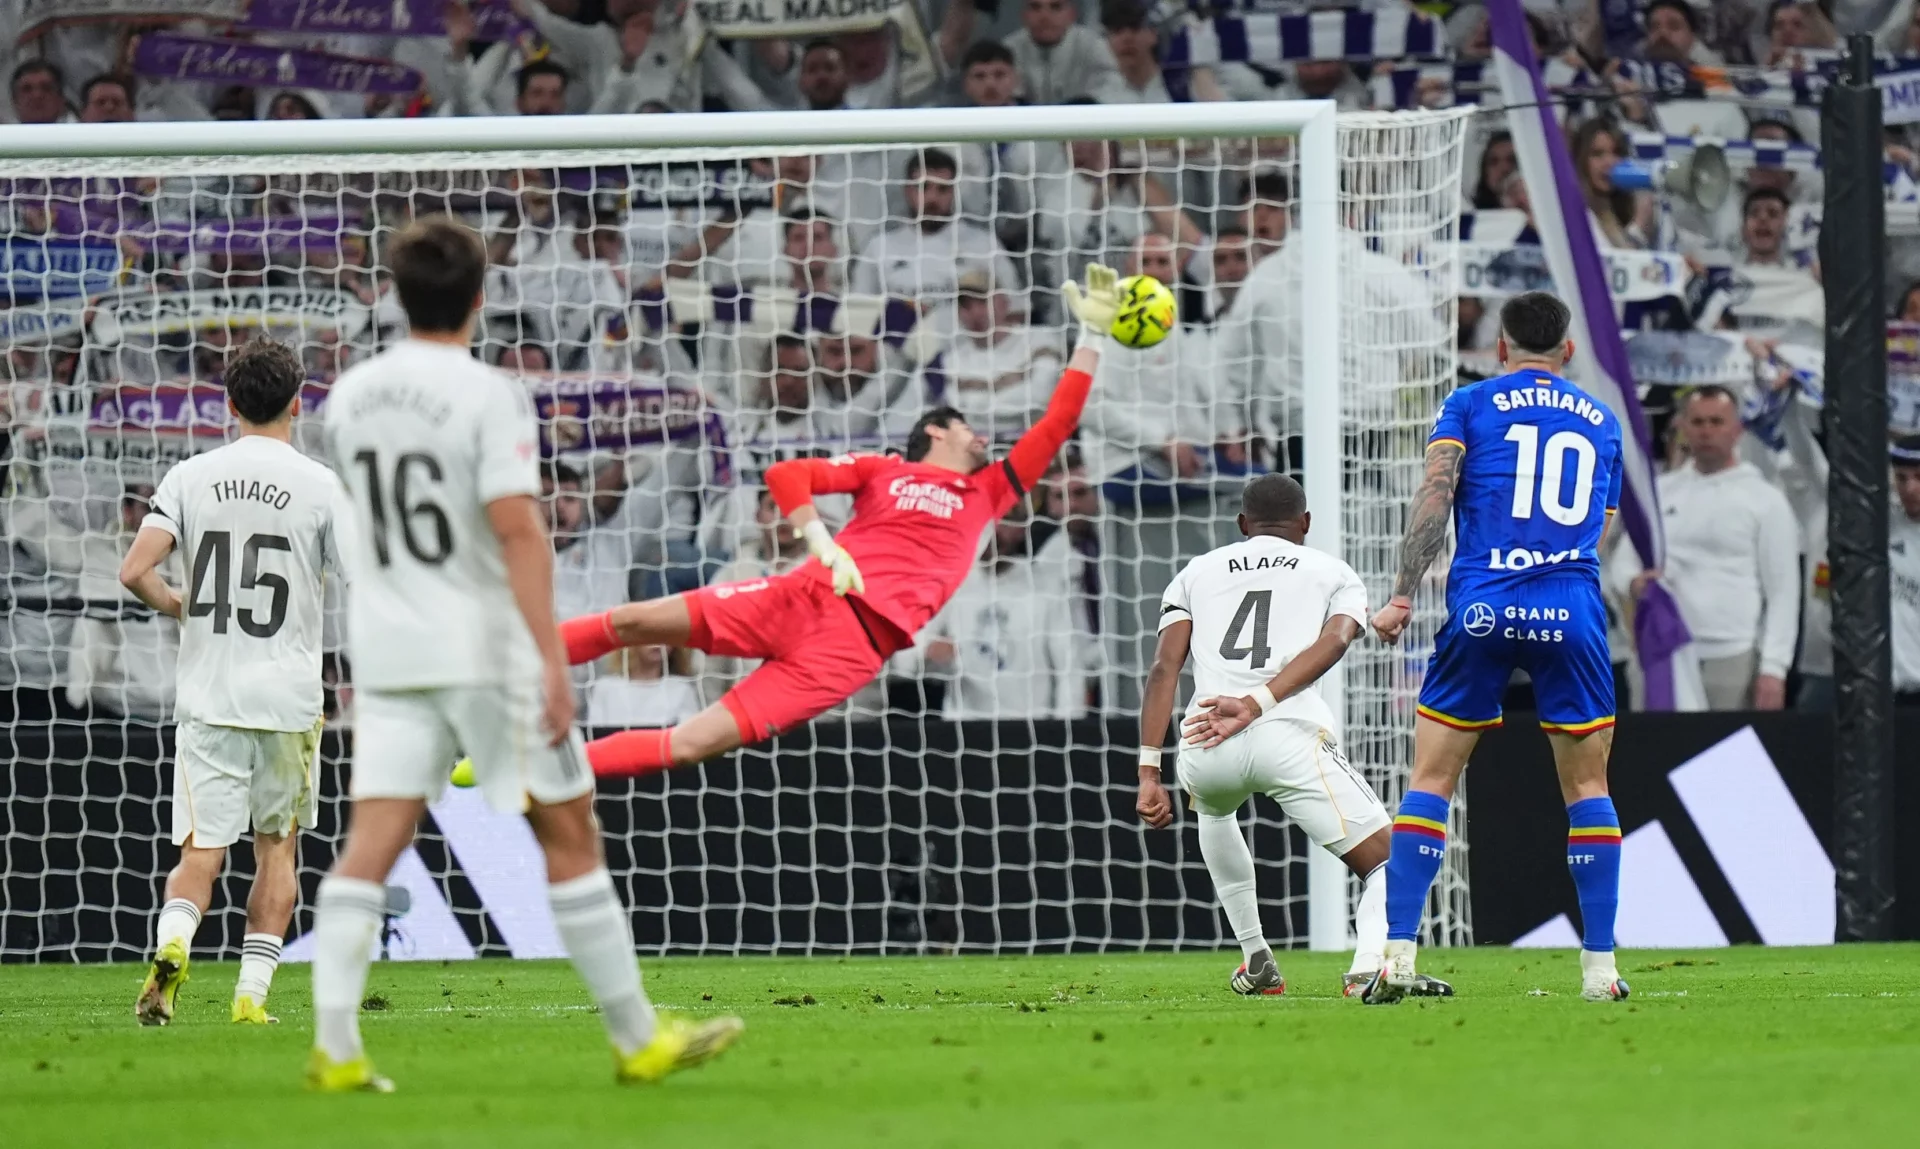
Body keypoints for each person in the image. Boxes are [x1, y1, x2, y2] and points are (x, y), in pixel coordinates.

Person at [310, 216, 741, 1092]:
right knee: (569, 827)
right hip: (482, 647)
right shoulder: (488, 395)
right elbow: (518, 530)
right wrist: (551, 659)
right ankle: (637, 1038)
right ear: (481, 296)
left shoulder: (349, 396)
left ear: (396, 296)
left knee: (371, 842)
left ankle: (336, 1049)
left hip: (389, 650)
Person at [560, 264, 1123, 774]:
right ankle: (517, 659)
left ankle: (543, 780)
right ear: (935, 430)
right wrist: (822, 544)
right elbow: (787, 475)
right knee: (631, 621)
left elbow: (1058, 421)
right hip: (799, 595)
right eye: (966, 427)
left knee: (690, 744)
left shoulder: (987, 492)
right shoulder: (884, 469)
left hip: (848, 652)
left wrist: (1093, 335)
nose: (979, 436)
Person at [1369, 292, 1629, 1004]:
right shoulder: (1602, 419)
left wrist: (1402, 594)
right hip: (1571, 609)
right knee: (1588, 789)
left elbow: (1435, 496)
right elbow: (1601, 527)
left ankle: (1397, 954)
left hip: (1484, 606)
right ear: (1567, 350)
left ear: (1501, 348)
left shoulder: (1470, 403)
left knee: (1431, 779)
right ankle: (1600, 970)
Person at [1137, 474, 1450, 999]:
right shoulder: (1333, 572)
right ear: (1305, 522)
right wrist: (1257, 704)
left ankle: (1256, 956)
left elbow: (1163, 668)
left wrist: (1149, 772)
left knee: (1214, 813)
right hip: (1286, 732)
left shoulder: (1195, 572)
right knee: (1390, 861)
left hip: (1205, 739)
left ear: (1243, 523)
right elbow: (1337, 641)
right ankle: (1366, 970)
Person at [120, 339, 350, 1028]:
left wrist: (178, 605)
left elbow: (133, 571)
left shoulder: (191, 475)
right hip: (289, 702)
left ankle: (174, 943)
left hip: (210, 697)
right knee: (277, 849)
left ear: (229, 403)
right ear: (297, 403)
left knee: (202, 852)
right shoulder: (321, 485)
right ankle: (250, 996)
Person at [1619, 385, 1799, 710]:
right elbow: (1623, 560)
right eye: (1698, 422)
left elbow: (1783, 593)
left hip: (1732, 656)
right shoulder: (1659, 491)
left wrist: (1774, 668)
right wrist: (1634, 583)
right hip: (1662, 651)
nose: (1706, 431)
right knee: (1654, 743)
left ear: (1737, 429)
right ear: (1683, 427)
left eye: (1716, 422)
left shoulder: (1766, 500)